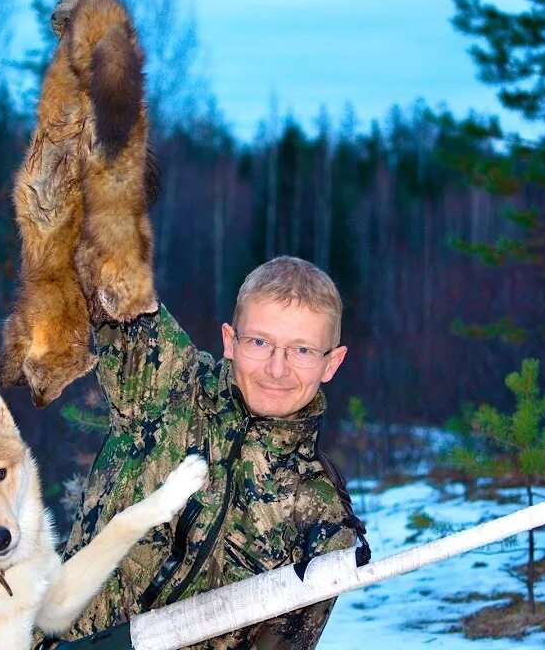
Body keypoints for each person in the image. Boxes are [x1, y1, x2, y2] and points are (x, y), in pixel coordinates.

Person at [47, 254, 371, 649]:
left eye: (301, 350)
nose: (277, 368)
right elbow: (103, 255)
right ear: (229, 341)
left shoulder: (322, 515)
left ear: (331, 363)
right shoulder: (168, 384)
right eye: (259, 342)